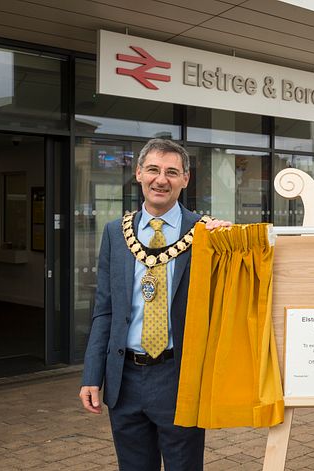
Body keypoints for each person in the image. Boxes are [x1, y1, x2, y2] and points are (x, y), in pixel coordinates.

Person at [79, 138, 230, 470]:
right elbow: (104, 310)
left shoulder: (206, 233)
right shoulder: (115, 234)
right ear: (138, 174)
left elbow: (231, 297)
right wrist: (92, 375)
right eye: (153, 169)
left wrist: (230, 246)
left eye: (172, 172)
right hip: (125, 379)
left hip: (179, 378)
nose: (161, 179)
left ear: (185, 179)